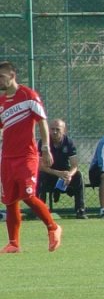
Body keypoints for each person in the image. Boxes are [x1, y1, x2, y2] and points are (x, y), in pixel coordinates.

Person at [0, 61, 62, 253]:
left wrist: (45, 147)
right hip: (7, 157)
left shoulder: (28, 95)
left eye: (1, 76)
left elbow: (42, 121)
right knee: (9, 200)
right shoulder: (1, 101)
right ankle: (14, 243)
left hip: (26, 156)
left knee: (27, 195)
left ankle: (53, 227)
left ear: (12, 75)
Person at [36, 118, 87, 219]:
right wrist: (57, 173)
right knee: (40, 175)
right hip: (49, 174)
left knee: (78, 176)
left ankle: (80, 210)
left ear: (64, 130)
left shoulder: (69, 143)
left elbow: (74, 166)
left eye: (57, 129)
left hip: (64, 176)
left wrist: (69, 175)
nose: (54, 132)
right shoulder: (43, 143)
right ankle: (40, 212)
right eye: (52, 129)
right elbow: (40, 166)